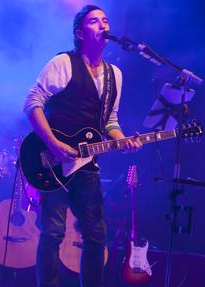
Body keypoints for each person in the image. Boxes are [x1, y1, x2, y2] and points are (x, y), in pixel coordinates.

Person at [23, 5, 142, 287]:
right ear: (80, 33)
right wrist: (53, 143)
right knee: (52, 232)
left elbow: (109, 120)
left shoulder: (116, 75)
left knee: (96, 235)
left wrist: (123, 140)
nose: (102, 25)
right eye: (94, 21)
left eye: (105, 20)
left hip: (87, 164)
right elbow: (32, 103)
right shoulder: (63, 63)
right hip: (51, 160)